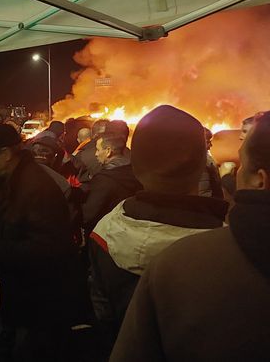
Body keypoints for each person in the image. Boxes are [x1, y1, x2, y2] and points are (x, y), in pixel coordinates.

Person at [111, 111, 270, 362]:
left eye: (240, 165)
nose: (234, 173)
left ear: (261, 181)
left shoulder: (179, 263)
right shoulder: (209, 243)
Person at [88, 106, 228, 353]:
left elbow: (103, 314)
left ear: (135, 166)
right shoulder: (230, 248)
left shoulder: (104, 232)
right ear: (201, 167)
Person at [0, 124, 79, 361]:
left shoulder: (34, 187)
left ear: (5, 154)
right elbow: (1, 224)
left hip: (40, 299)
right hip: (21, 290)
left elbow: (48, 248)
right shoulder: (12, 181)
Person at [81, 133, 142, 235]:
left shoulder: (104, 180)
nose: (96, 154)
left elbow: (89, 215)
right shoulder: (136, 174)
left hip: (104, 235)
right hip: (128, 232)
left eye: (98, 149)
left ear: (108, 151)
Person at [198, 127, 223, 198]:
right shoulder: (201, 162)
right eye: (207, 142)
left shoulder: (205, 159)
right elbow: (203, 192)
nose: (210, 145)